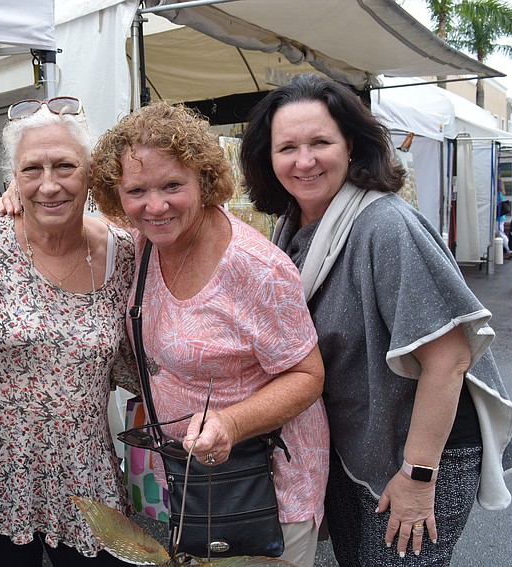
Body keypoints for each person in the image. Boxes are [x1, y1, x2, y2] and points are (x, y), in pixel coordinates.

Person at [240, 74, 512, 566]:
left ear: (352, 146)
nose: (303, 160)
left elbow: (451, 357)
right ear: (267, 158)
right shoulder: (293, 228)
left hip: (423, 452)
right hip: (359, 444)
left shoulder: (384, 225)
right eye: (287, 147)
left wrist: (418, 477)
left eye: (320, 142)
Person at [89, 101, 328, 567]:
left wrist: (230, 423)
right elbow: (66, 226)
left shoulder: (256, 269)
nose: (155, 206)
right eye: (137, 190)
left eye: (173, 185)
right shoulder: (144, 244)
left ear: (204, 180)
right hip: (192, 477)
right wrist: (15, 195)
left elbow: (307, 375)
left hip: (263, 486)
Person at [0, 97, 139, 566]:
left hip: (88, 476)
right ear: (13, 179)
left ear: (90, 172)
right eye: (31, 170)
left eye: (65, 166)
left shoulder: (125, 256)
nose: (49, 185)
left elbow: (142, 355)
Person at [495, 180, 512, 259]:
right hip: (501, 217)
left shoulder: (497, 195)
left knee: (500, 233)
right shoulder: (501, 194)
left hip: (498, 217)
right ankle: (508, 249)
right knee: (500, 233)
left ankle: (509, 249)